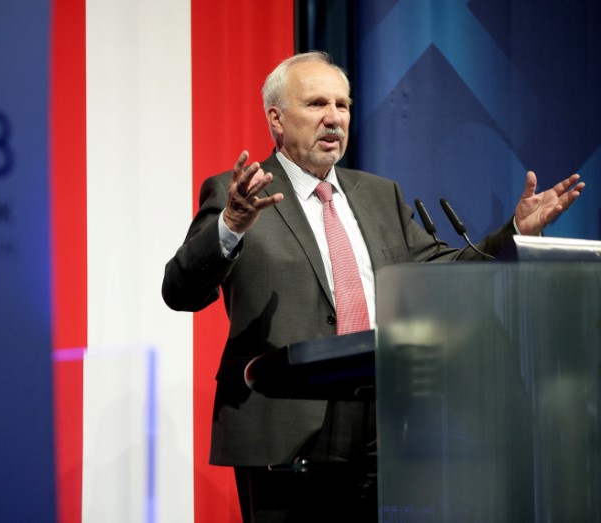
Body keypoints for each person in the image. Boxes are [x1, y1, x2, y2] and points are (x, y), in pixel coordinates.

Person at [162, 51, 584, 522]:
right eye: (317, 103)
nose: (334, 118)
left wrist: (515, 232)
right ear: (276, 119)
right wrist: (232, 226)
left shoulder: (380, 195)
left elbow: (446, 270)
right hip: (282, 425)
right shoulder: (235, 194)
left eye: (342, 105)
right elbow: (180, 291)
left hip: (385, 427)